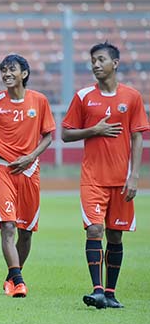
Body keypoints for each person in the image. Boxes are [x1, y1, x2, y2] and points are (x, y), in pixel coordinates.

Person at [62, 42, 149, 309]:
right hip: (93, 178)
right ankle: (97, 290)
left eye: (101, 60)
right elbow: (66, 134)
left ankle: (110, 293)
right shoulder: (84, 96)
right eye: (93, 60)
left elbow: (137, 137)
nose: (96, 65)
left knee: (115, 236)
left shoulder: (131, 97)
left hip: (121, 180)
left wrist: (134, 176)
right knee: (94, 229)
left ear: (115, 63)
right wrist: (93, 130)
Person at [0, 54, 55, 298]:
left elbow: (48, 136)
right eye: (3, 70)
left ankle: (11, 277)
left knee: (26, 232)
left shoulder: (39, 101)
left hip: (30, 171)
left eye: (11, 69)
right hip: (4, 170)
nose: (6, 74)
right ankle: (20, 282)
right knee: (8, 226)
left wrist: (30, 156)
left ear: (24, 73)